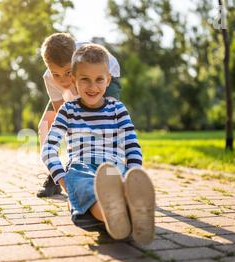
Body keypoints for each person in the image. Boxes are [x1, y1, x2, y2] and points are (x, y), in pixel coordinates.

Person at [41, 43, 155, 245]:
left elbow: (131, 143)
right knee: (85, 186)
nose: (92, 87)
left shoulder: (117, 109)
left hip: (112, 167)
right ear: (74, 81)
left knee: (107, 181)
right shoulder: (68, 111)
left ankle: (125, 210)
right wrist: (62, 180)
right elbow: (49, 148)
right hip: (81, 166)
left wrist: (132, 172)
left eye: (99, 80)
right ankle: (121, 216)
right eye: (85, 80)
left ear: (108, 80)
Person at [37, 33, 122, 198]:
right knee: (45, 126)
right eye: (56, 74)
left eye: (67, 72)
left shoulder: (88, 62)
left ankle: (109, 173)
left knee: (101, 123)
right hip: (77, 81)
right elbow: (64, 120)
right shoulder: (50, 78)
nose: (62, 80)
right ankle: (55, 175)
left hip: (100, 75)